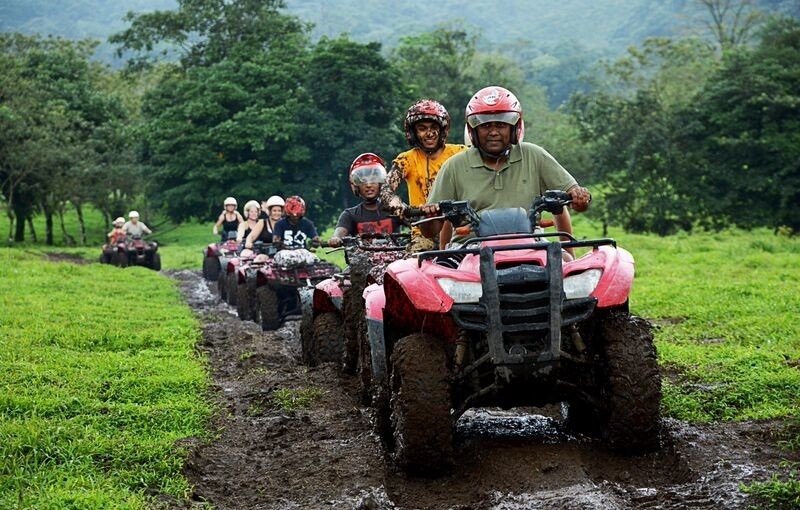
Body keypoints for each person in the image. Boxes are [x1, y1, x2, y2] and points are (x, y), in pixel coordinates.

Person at [420, 86, 591, 255]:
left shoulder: (534, 155)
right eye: (486, 126)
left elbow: (574, 197)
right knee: (437, 270)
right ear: (473, 130)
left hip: (531, 245)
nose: (493, 132)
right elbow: (430, 230)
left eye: (501, 125)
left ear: (514, 128)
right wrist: (429, 215)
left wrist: (579, 196)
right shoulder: (453, 166)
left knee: (567, 264)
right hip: (470, 250)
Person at [379, 99, 467, 250]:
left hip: (459, 228)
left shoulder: (460, 152)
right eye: (422, 128)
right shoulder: (407, 159)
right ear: (413, 133)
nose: (429, 133)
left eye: (434, 128)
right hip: (423, 232)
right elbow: (386, 189)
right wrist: (398, 205)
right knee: (414, 261)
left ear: (443, 130)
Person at [328, 153, 402, 248]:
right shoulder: (350, 215)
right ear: (356, 186)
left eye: (373, 180)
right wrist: (335, 238)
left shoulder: (395, 208)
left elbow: (414, 222)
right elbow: (339, 232)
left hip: (395, 255)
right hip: (362, 256)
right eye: (363, 181)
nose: (368, 185)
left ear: (381, 183)